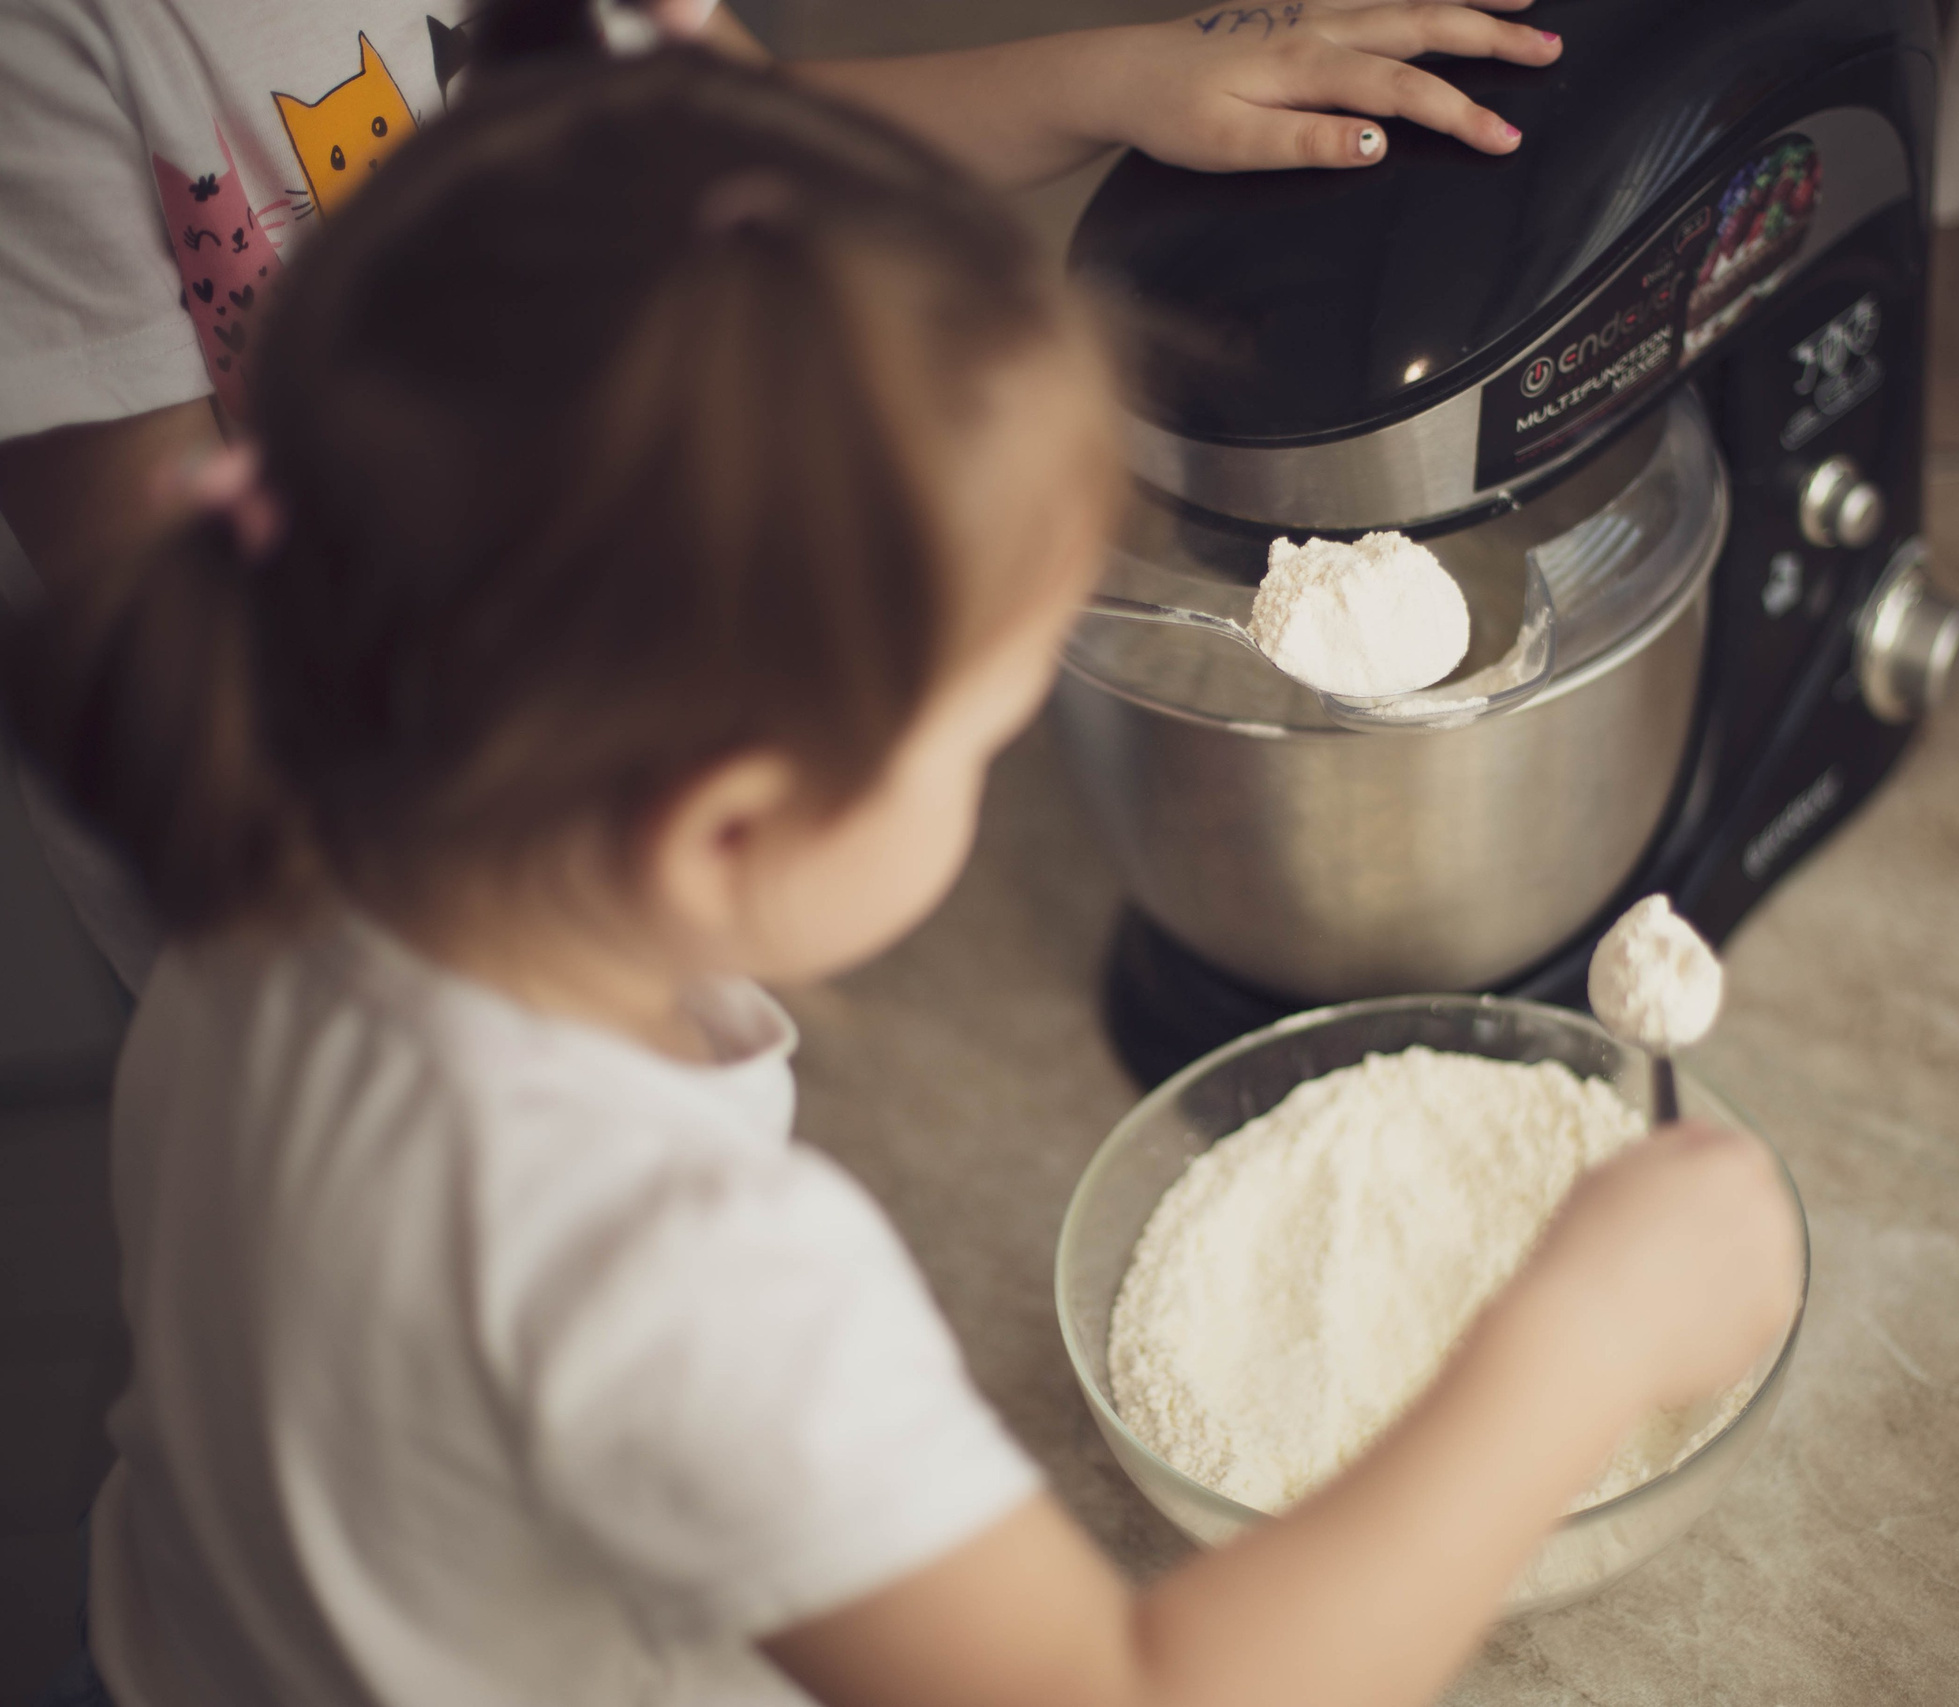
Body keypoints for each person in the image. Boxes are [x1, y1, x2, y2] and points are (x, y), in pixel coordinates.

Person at [2, 39, 1803, 1707]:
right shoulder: (672, 1275)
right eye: (974, 738)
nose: (996, 773)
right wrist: (1577, 1341)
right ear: (727, 825)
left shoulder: (269, 883)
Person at [0, 0, 1562, 986]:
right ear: (725, 816)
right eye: (968, 736)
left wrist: (1112, 77)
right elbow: (144, 597)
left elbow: (735, 145)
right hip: (323, 875)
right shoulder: (60, 48)